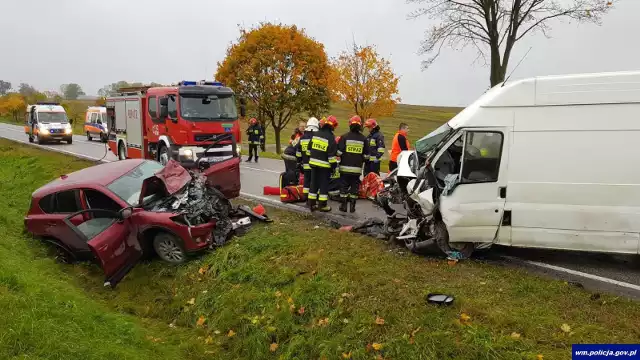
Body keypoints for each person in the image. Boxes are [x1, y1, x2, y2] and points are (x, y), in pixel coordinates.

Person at [337, 116, 369, 213]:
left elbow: (338, 153)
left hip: (344, 168)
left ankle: (343, 206)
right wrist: (361, 159)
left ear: (350, 125)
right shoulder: (364, 139)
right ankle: (352, 207)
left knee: (343, 187)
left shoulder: (344, 137)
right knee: (354, 188)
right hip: (357, 169)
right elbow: (367, 156)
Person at [307, 115, 339, 212]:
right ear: (333, 126)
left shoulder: (316, 134)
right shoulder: (331, 138)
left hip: (313, 164)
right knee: (323, 185)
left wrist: (312, 158)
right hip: (324, 166)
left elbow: (309, 149)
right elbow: (331, 156)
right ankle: (322, 205)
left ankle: (312, 204)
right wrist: (334, 167)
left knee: (313, 184)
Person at [295, 117, 320, 198]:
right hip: (315, 165)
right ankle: (314, 198)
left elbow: (298, 152)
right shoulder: (317, 137)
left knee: (306, 181)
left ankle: (305, 197)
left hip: (305, 164)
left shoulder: (302, 137)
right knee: (315, 181)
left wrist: (299, 162)